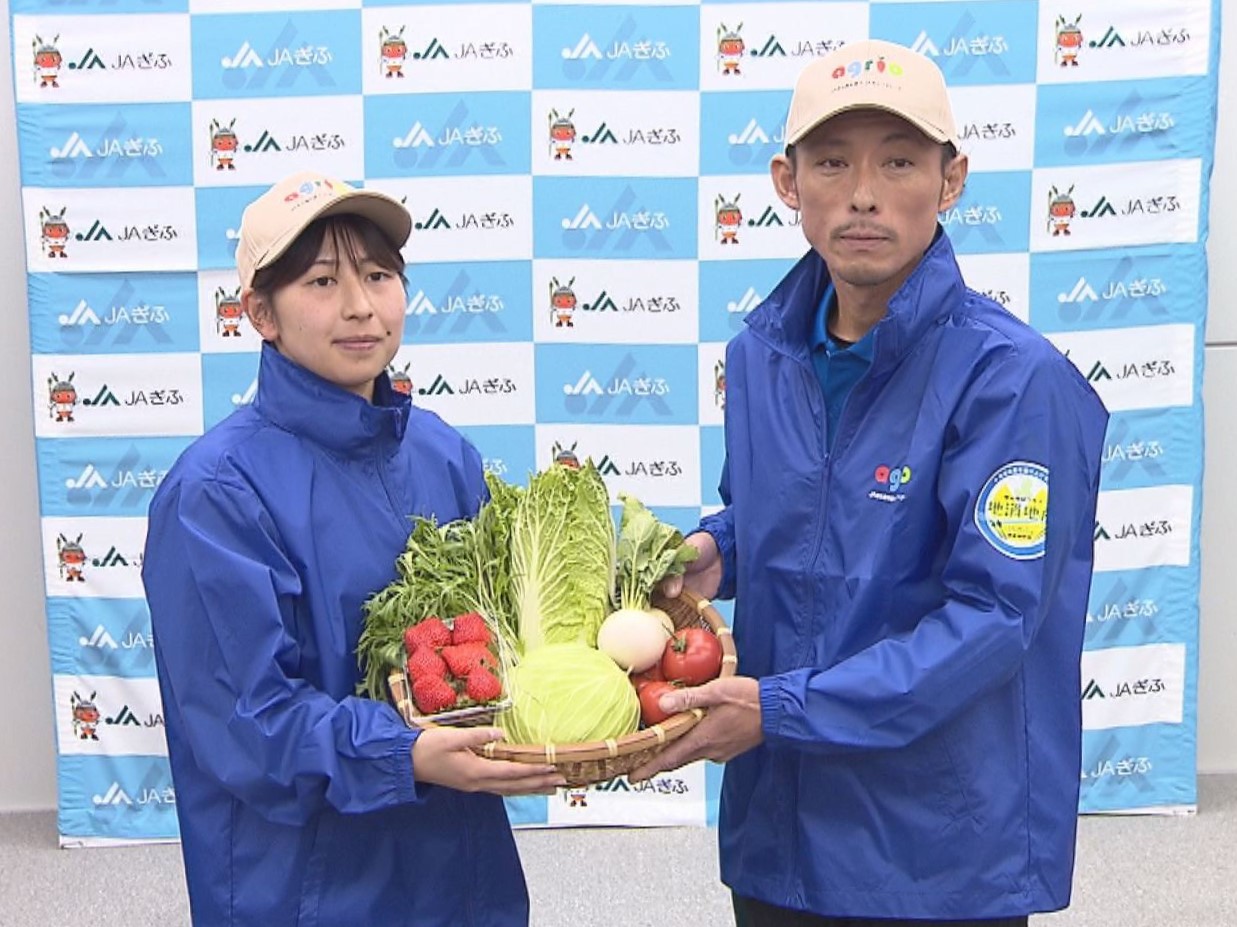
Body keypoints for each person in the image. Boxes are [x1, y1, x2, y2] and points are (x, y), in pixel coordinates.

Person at [632, 39, 1109, 927]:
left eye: (897, 160)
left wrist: (777, 709)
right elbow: (777, 513)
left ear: (951, 177)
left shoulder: (1013, 381)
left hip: (936, 850)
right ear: (786, 180)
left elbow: (992, 620)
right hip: (781, 833)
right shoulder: (761, 353)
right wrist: (713, 551)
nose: (862, 192)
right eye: (830, 161)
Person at [141, 171, 564, 927]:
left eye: (377, 275)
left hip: (461, 875)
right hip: (306, 891)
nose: (360, 305)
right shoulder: (214, 492)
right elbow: (248, 722)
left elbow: (496, 647)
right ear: (259, 313)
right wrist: (402, 753)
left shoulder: (441, 454)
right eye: (322, 281)